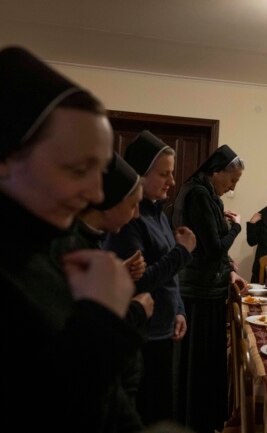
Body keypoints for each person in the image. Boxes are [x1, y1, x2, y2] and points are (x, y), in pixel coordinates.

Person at [0, 46, 142, 432]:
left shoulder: (61, 240)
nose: (97, 194)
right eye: (79, 169)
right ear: (7, 158)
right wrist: (102, 318)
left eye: (100, 170)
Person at [104, 130, 197, 426]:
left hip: (164, 329)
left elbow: (168, 275)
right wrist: (182, 252)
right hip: (144, 335)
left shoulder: (158, 212)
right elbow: (140, 282)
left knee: (164, 409)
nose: (172, 181)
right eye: (164, 174)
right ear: (141, 176)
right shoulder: (130, 220)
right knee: (149, 415)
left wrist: (179, 308)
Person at [51, 152, 154, 408]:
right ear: (109, 201)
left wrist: (119, 272)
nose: (136, 214)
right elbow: (86, 330)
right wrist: (138, 310)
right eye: (132, 205)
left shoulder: (91, 238)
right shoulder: (72, 248)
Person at [170, 144, 246, 433]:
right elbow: (214, 247)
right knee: (198, 361)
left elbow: (215, 244)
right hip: (197, 291)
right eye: (232, 180)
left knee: (207, 359)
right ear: (217, 172)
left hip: (208, 287)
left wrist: (228, 271)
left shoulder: (208, 194)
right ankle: (195, 420)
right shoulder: (198, 194)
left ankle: (205, 418)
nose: (233, 186)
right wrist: (238, 227)